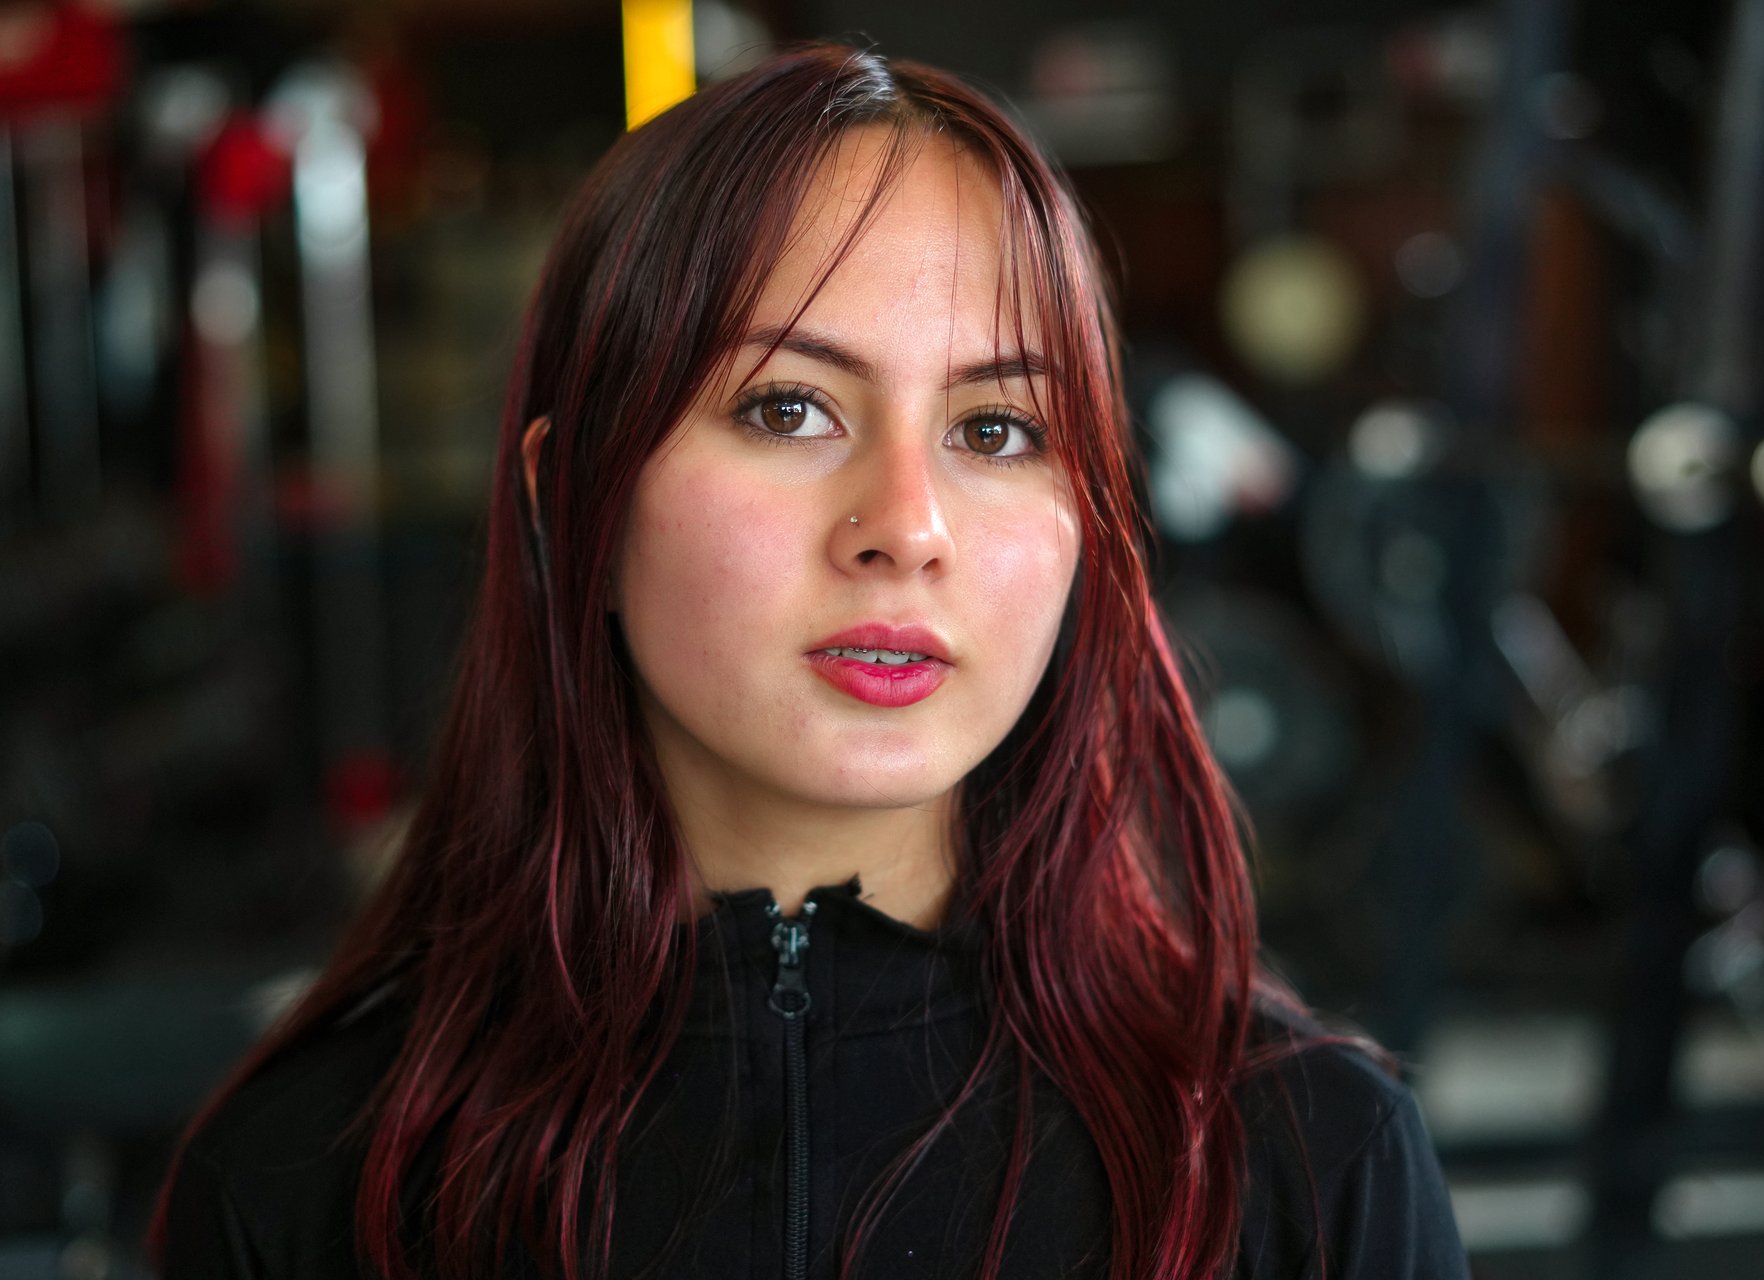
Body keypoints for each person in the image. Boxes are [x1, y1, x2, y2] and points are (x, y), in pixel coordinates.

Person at [149, 42, 1469, 1280]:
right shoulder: (308, 1189)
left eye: (999, 429)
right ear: (573, 506)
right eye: (789, 408)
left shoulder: (1307, 1168)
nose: (906, 527)